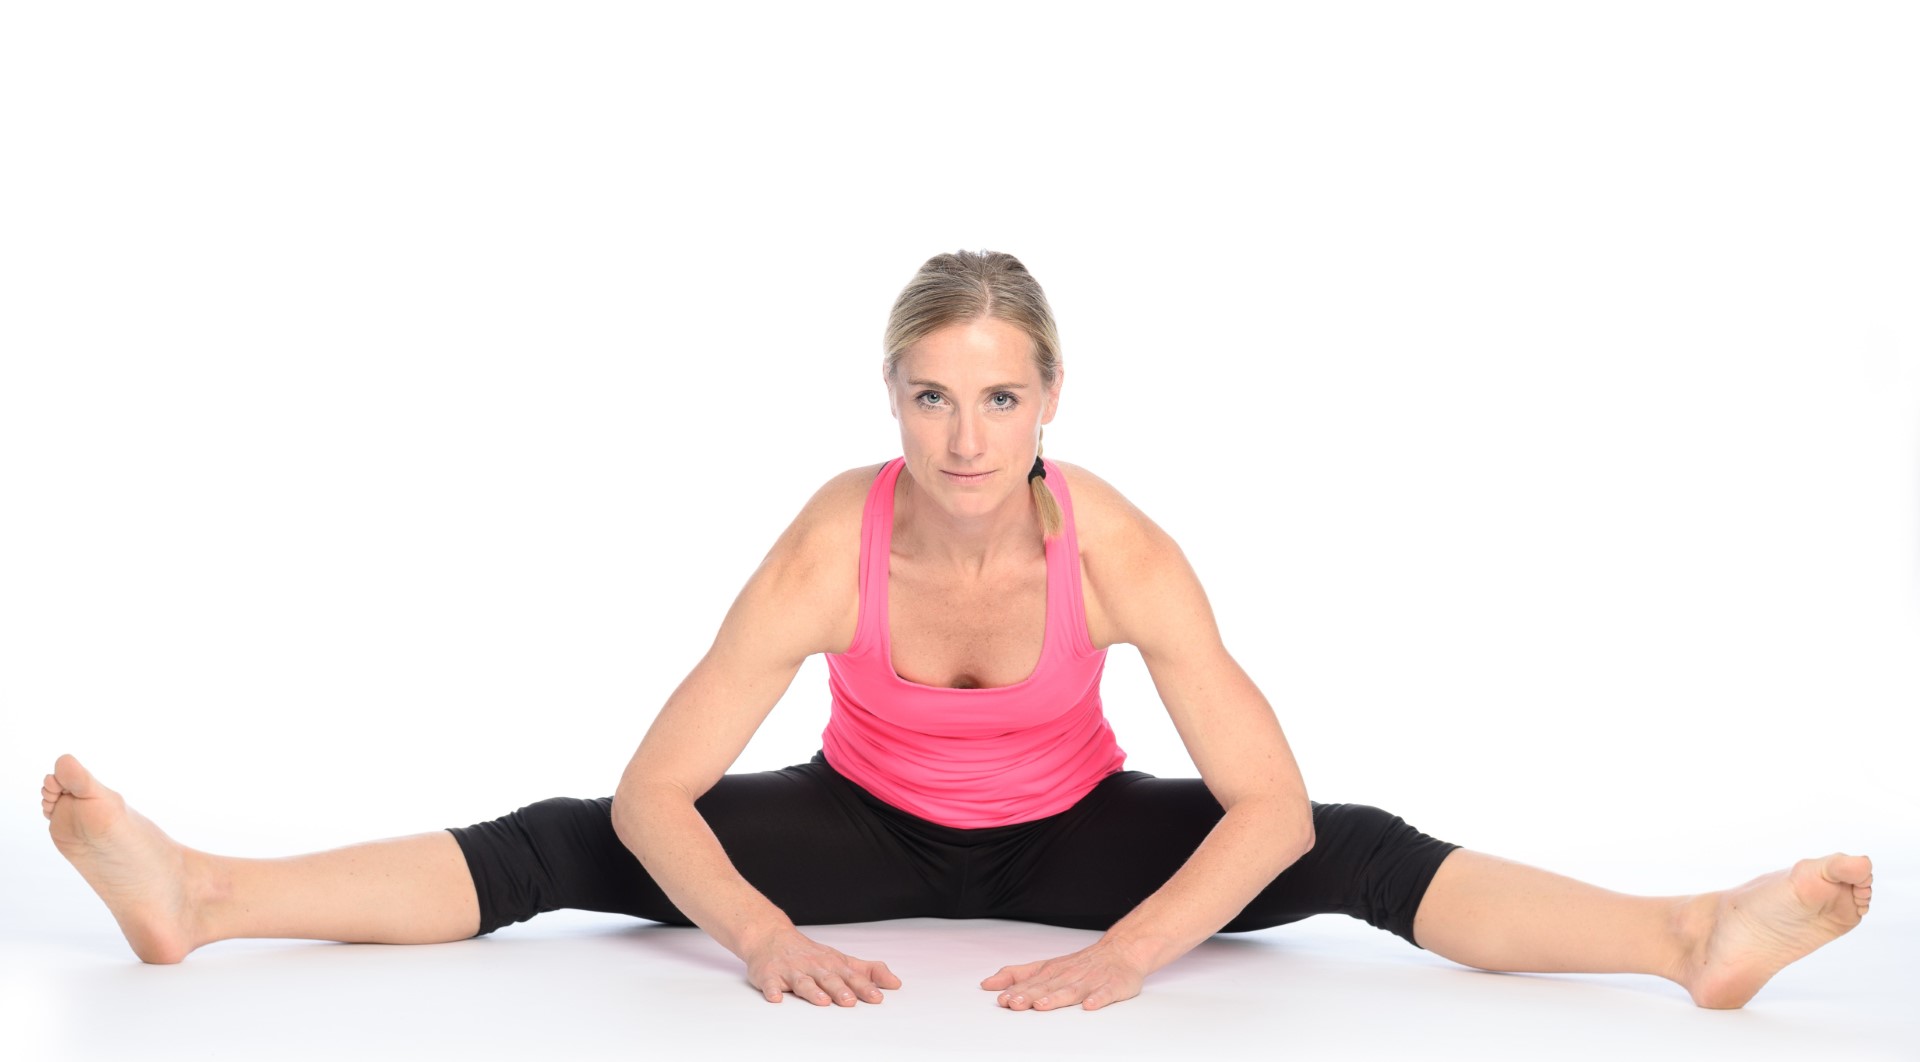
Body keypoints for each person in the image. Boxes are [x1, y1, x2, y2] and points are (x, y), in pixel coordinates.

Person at [42, 250, 1872, 1013]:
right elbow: (657, 789)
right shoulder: (826, 541)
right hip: (859, 821)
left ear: (1052, 395)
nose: (965, 437)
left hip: (1078, 832)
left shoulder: (1123, 543)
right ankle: (203, 892)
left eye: (1000, 398)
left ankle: (1688, 934)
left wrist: (1132, 954)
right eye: (932, 396)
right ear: (893, 400)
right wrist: (755, 929)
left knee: (1366, 851)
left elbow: (1276, 812)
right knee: (564, 843)